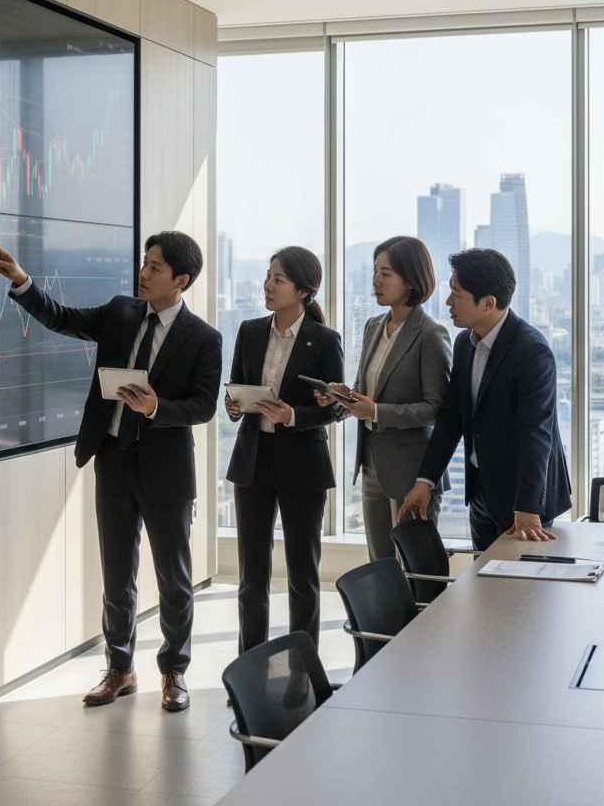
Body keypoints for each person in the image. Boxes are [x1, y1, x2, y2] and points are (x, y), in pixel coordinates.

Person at [0, 232, 221, 711]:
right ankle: (120, 668)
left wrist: (156, 407)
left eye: (155, 267)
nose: (144, 272)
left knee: (173, 579)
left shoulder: (203, 337)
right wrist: (22, 280)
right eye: (145, 262)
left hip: (166, 470)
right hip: (112, 458)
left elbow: (203, 405)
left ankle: (174, 671)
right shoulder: (120, 312)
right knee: (116, 575)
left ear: (181, 280)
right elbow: (64, 319)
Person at [398, 248, 572, 551]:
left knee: (520, 580)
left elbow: (536, 433)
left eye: (457, 294)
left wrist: (527, 507)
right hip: (481, 493)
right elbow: (451, 418)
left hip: (523, 504)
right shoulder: (465, 343)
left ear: (488, 303)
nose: (448, 302)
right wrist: (425, 481)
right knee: (482, 576)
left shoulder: (531, 350)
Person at [224, 247, 343, 654]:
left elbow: (334, 408)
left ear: (303, 291)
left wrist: (293, 415)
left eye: (278, 279)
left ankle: (301, 670)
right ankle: (249, 664)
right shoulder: (249, 331)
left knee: (302, 576)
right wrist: (234, 406)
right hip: (253, 461)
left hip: (303, 466)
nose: (268, 285)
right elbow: (237, 387)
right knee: (251, 577)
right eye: (268, 276)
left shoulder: (325, 340)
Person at [317, 236, 451, 563]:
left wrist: (376, 411)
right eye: (375, 271)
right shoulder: (373, 326)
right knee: (380, 564)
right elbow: (365, 390)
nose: (375, 281)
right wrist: (342, 397)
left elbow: (437, 409)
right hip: (371, 464)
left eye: (385, 273)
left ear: (411, 281)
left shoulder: (431, 334)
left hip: (412, 471)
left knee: (414, 568)